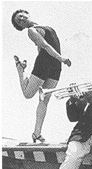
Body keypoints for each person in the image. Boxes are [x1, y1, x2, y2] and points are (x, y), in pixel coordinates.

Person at [11, 9, 71, 143]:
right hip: (45, 64)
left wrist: (59, 61)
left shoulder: (44, 27)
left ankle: (37, 133)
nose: (21, 20)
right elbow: (45, 45)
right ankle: (20, 70)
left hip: (55, 67)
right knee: (28, 94)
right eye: (18, 22)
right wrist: (62, 58)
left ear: (27, 13)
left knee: (44, 99)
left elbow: (40, 47)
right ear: (21, 27)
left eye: (21, 16)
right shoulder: (31, 31)